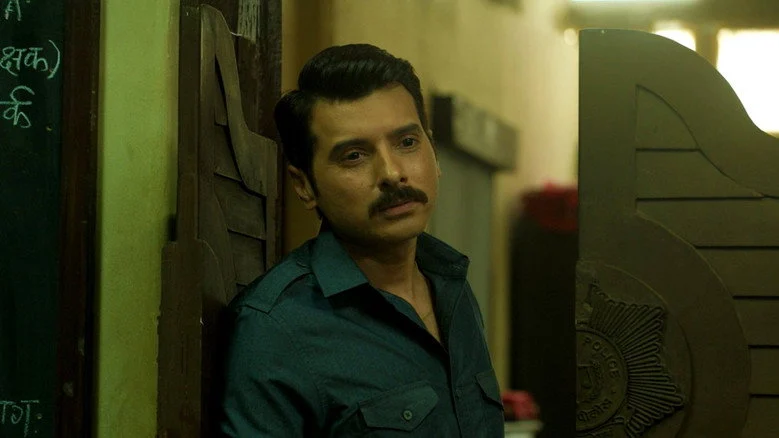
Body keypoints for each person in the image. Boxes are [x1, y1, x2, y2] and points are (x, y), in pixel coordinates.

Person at [218, 43, 504, 437]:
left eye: (407, 142)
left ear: (433, 152)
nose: (391, 173)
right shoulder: (277, 328)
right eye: (354, 155)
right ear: (304, 185)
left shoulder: (450, 285)